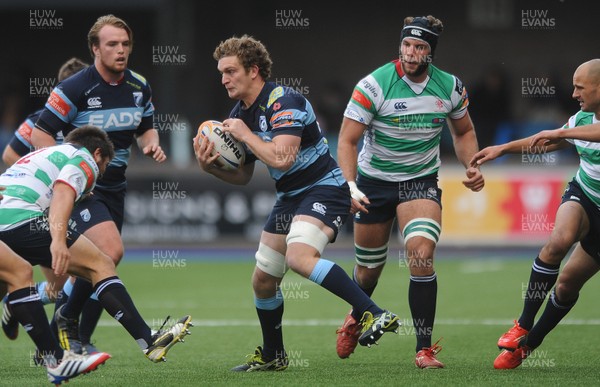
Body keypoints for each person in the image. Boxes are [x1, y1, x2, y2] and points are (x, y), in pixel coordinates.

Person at [194, 35, 400, 372]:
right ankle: (274, 355)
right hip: (289, 197)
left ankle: (374, 313)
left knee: (299, 257)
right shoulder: (239, 114)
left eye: (231, 71)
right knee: (263, 279)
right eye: (221, 73)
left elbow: (284, 158)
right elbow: (243, 176)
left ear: (254, 70)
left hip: (324, 188)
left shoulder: (282, 100)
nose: (224, 79)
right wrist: (209, 167)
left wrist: (246, 135)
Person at [335, 15, 485, 368]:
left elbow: (463, 133)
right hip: (374, 183)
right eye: (406, 45)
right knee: (368, 272)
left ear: (431, 53)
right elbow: (347, 140)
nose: (411, 53)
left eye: (420, 47)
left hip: (420, 181)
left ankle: (423, 349)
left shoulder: (449, 87)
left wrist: (471, 164)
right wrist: (351, 186)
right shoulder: (373, 85)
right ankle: (356, 316)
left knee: (420, 253)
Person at [0, 126, 191, 384]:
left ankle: (53, 357)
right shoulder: (84, 159)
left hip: (6, 218)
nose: (100, 174)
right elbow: (63, 191)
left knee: (19, 276)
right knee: (100, 263)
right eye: (104, 166)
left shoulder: (45, 155)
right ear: (98, 153)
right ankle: (148, 341)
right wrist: (57, 240)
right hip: (20, 219)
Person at [30, 14, 167, 355]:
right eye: (112, 44)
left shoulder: (139, 86)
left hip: (115, 187)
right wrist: (67, 173)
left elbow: (146, 127)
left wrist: (151, 142)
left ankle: (63, 341)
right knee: (109, 253)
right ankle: (73, 324)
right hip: (81, 190)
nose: (121, 51)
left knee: (101, 264)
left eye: (125, 44)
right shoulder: (74, 87)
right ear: (95, 48)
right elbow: (40, 133)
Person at [471, 58, 600, 369]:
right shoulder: (581, 119)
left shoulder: (582, 127)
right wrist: (502, 149)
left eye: (580, 87)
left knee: (568, 284)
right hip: (585, 195)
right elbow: (545, 142)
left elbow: (574, 134)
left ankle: (529, 345)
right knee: (559, 241)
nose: (573, 94)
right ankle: (523, 325)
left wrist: (563, 133)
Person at [1, 57, 88, 342]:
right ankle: (55, 344)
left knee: (80, 272)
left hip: (72, 203)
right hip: (39, 210)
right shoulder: (40, 119)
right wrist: (39, 184)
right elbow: (11, 155)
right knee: (59, 280)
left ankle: (57, 341)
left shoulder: (89, 123)